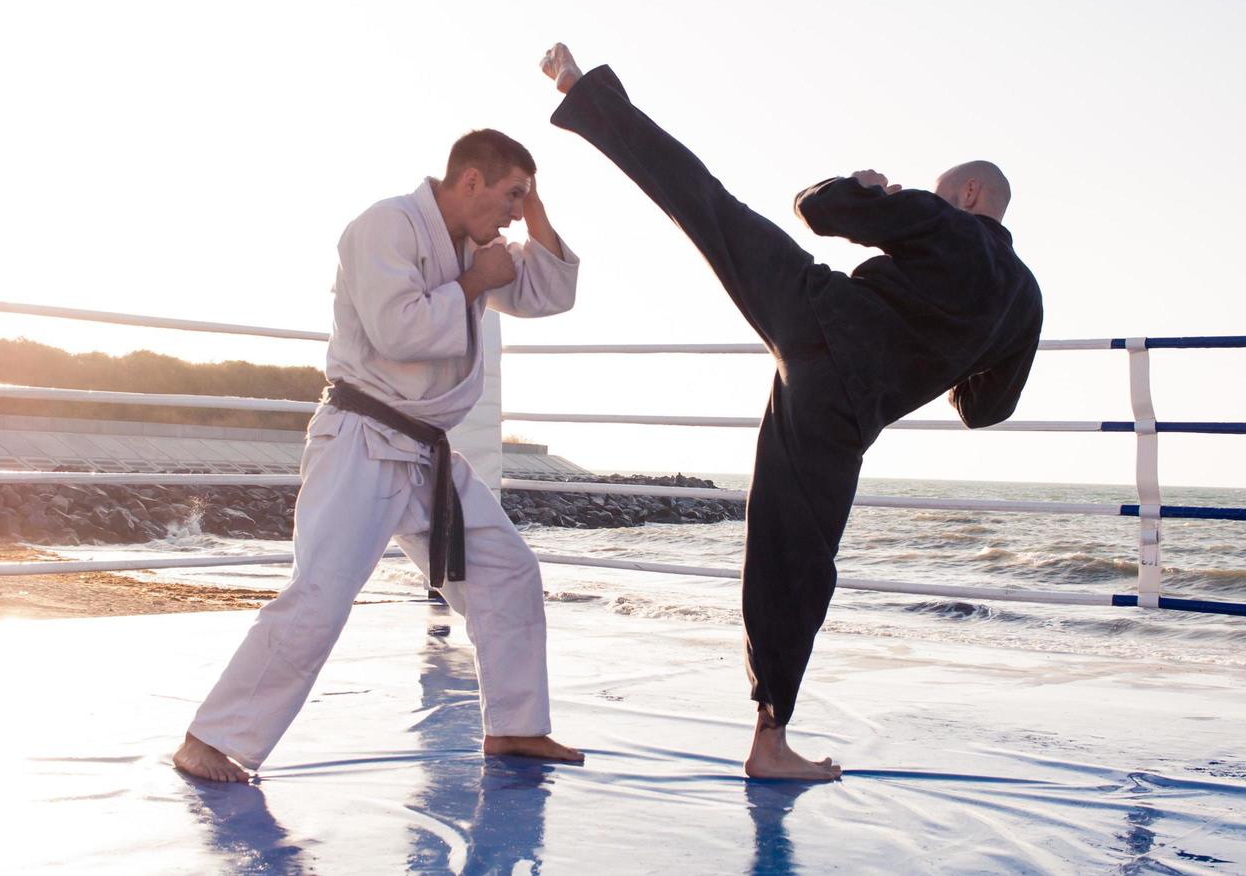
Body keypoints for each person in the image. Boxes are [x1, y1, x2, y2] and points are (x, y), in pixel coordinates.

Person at [540, 44, 1042, 781]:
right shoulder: (1025, 302)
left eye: (937, 192)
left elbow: (816, 208)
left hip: (813, 314)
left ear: (967, 194)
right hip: (844, 410)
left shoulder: (942, 222)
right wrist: (959, 351)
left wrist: (866, 188)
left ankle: (584, 95)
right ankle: (768, 738)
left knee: (702, 202)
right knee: (797, 560)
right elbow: (983, 411)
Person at [174, 129, 584, 783]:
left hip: (424, 452)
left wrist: (532, 205)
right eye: (509, 195)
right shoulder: (384, 226)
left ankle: (515, 727)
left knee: (507, 571)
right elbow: (400, 331)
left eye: (522, 202)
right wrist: (477, 281)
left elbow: (550, 294)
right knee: (322, 595)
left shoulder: (473, 244)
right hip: (362, 443)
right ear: (470, 180)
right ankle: (209, 740)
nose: (513, 214)